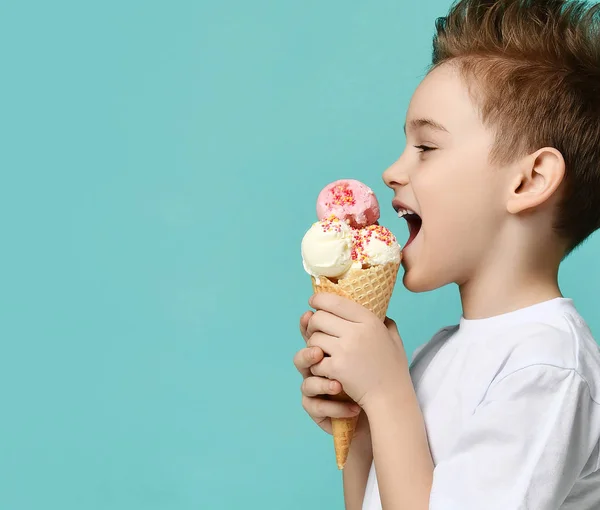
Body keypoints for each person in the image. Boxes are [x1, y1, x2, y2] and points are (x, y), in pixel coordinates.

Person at [293, 1, 600, 508]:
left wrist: (388, 395)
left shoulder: (546, 368)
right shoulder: (439, 352)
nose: (393, 171)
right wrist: (363, 419)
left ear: (529, 180)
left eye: (427, 148)